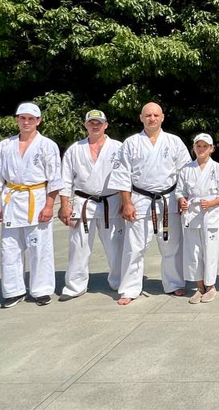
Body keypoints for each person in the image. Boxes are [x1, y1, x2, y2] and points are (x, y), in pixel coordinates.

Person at [0, 102, 62, 308]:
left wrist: (49, 206)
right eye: (22, 118)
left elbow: (55, 179)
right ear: (16, 120)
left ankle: (41, 290)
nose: (26, 122)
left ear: (38, 121)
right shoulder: (5, 146)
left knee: (39, 247)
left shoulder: (47, 145)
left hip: (37, 198)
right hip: (12, 200)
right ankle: (13, 291)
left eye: (31, 119)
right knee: (10, 248)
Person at [110, 102, 192, 305]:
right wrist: (126, 202)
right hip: (140, 200)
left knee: (171, 245)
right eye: (148, 115)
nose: (152, 118)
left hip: (168, 199)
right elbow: (122, 175)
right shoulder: (131, 143)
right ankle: (129, 288)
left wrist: (182, 198)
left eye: (156, 115)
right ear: (141, 118)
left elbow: (185, 173)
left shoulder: (174, 142)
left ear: (162, 117)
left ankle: (174, 283)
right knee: (134, 247)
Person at [58, 110, 123, 300]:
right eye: (91, 123)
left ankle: (119, 281)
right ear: (86, 125)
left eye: (99, 123)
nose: (95, 126)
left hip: (111, 201)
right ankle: (75, 286)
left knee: (116, 245)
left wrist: (127, 201)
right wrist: (64, 204)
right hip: (83, 202)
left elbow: (127, 176)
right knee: (78, 245)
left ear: (106, 125)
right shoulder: (75, 149)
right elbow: (65, 179)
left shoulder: (118, 148)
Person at [177, 134, 219, 304]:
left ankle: (211, 286)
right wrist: (182, 200)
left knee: (210, 251)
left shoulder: (217, 168)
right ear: (193, 147)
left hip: (210, 214)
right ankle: (199, 286)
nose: (201, 149)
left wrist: (211, 203)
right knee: (193, 252)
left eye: (205, 146)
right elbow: (180, 191)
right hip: (192, 213)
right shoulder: (186, 169)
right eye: (198, 146)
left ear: (211, 149)